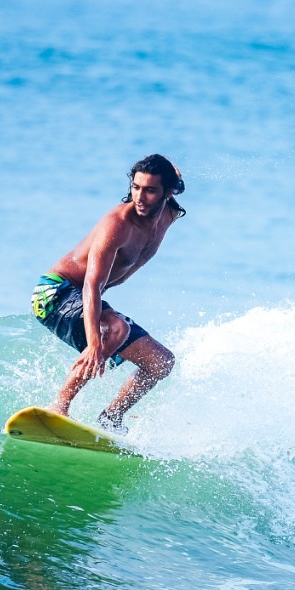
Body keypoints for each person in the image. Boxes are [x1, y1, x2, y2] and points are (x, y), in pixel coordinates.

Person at [31, 154, 185, 430]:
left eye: (150, 190)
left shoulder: (170, 214)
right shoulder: (118, 224)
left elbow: (179, 183)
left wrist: (176, 175)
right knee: (114, 328)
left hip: (85, 298)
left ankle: (111, 418)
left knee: (161, 362)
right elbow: (93, 285)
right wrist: (94, 344)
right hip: (55, 293)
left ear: (167, 192)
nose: (140, 197)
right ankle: (59, 405)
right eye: (136, 188)